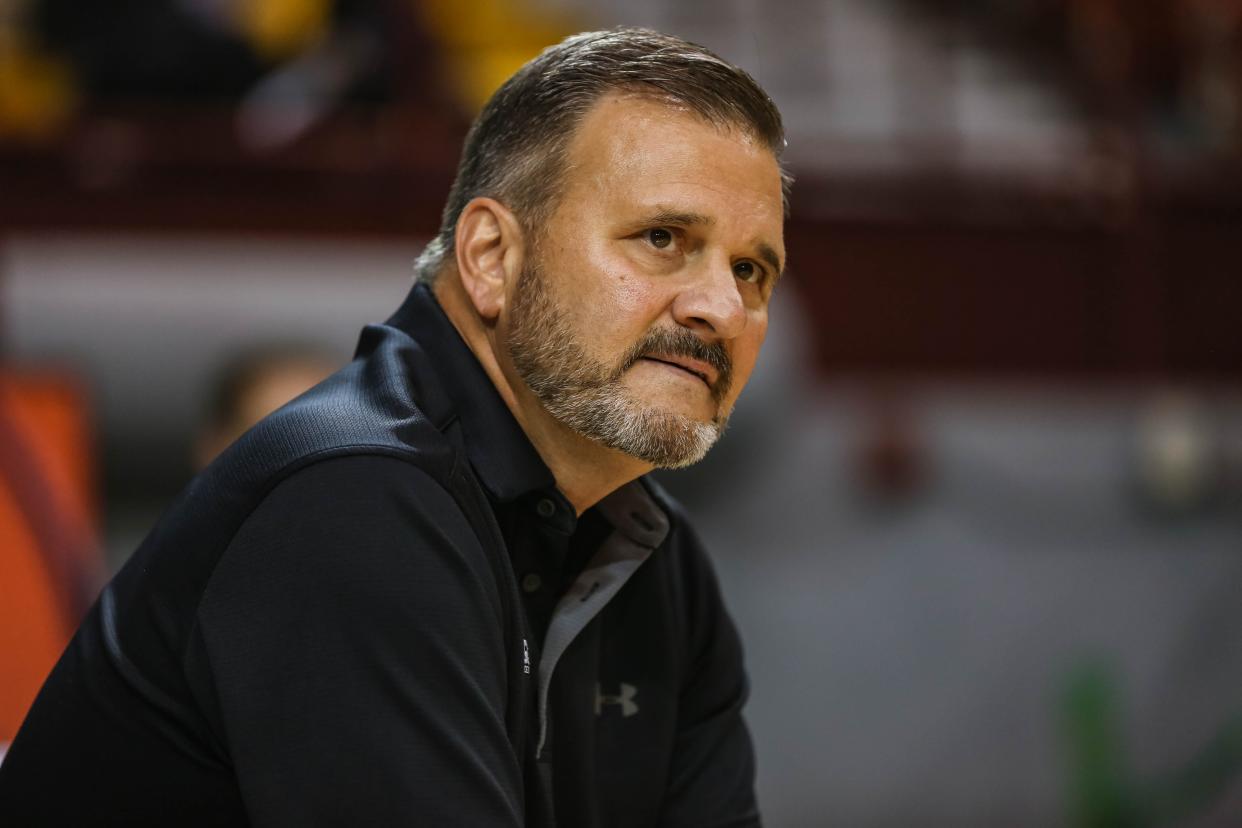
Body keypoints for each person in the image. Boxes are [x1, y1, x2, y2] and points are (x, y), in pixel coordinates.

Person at [0, 27, 789, 827]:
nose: (722, 309)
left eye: (751, 271)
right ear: (491, 256)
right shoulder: (351, 502)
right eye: (663, 239)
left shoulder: (661, 560)